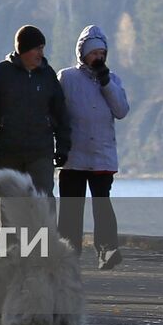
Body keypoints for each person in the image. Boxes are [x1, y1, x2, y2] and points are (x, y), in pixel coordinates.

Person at [56, 26, 130, 269]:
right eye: (94, 53)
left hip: (102, 154)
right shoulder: (67, 77)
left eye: (102, 53)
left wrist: (106, 83)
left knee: (102, 204)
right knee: (71, 209)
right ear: (83, 53)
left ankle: (107, 250)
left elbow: (121, 111)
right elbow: (55, 111)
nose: (99, 57)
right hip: (73, 155)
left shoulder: (113, 79)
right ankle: (68, 253)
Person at [0, 24, 70, 199]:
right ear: (23, 49)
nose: (41, 54)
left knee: (42, 206)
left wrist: (63, 147)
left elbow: (61, 114)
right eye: (37, 49)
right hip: (7, 153)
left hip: (41, 153)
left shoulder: (48, 75)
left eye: (42, 49)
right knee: (6, 208)